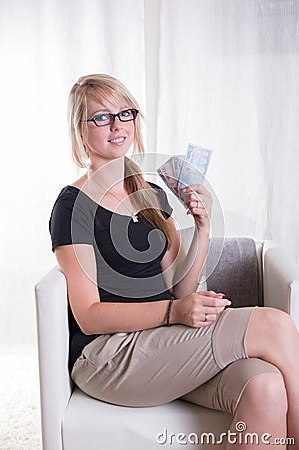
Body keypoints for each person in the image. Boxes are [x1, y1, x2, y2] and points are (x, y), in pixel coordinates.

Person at [49, 74, 299, 448]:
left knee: (265, 388)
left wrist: (202, 225)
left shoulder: (148, 193)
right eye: (101, 117)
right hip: (109, 355)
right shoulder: (72, 206)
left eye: (125, 113)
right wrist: (173, 312)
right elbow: (88, 314)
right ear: (80, 130)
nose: (117, 125)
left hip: (165, 344)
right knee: (274, 326)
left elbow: (180, 286)